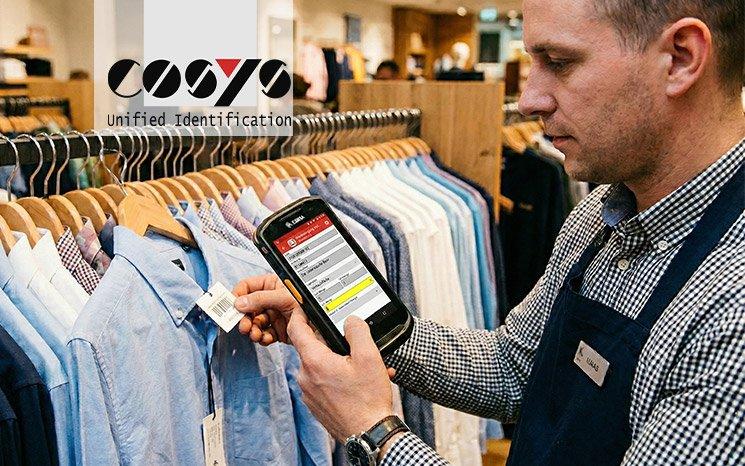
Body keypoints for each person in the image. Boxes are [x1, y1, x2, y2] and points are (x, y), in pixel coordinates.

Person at [233, 0, 745, 464]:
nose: (529, 100)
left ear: (680, 58)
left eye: (559, 62)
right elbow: (512, 366)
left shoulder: (731, 313)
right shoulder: (601, 215)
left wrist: (375, 432)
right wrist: (350, 325)